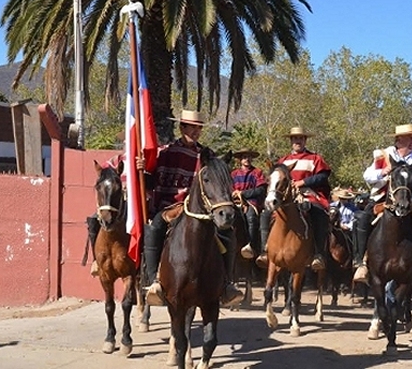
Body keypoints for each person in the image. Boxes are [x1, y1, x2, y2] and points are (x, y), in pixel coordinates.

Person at [139, 110, 244, 307]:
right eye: (192, 127)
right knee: (154, 229)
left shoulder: (207, 155)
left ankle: (227, 284)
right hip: (169, 206)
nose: (196, 131)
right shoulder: (166, 152)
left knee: (228, 233)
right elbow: (151, 181)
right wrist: (142, 169)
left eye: (199, 128)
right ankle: (154, 282)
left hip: (200, 209)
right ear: (182, 128)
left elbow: (219, 181)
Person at [353, 123, 412, 288]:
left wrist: (409, 196)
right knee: (362, 220)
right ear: (399, 139)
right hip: (383, 198)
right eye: (409, 137)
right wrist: (382, 172)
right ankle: (361, 262)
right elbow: (368, 176)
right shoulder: (384, 155)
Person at [256, 126, 332, 271]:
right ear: (291, 141)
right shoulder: (283, 161)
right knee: (265, 214)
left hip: (308, 195)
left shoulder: (315, 158)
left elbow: (323, 176)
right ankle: (265, 250)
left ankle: (318, 253)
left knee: (318, 213)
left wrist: (303, 182)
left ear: (305, 140)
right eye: (295, 138)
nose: (298, 141)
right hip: (286, 198)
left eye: (301, 138)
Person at [230, 148, 267, 259]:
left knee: (251, 217)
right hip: (235, 202)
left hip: (251, 202)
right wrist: (234, 194)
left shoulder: (257, 172)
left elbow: (260, 190)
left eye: (249, 157)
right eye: (244, 157)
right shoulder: (234, 174)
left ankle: (251, 245)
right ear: (240, 159)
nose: (247, 159)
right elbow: (228, 188)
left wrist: (243, 194)